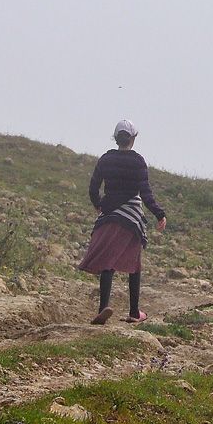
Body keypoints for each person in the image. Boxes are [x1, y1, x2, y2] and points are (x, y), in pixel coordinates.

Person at [78, 119, 168, 325]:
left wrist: (98, 204)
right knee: (134, 264)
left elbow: (93, 188)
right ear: (133, 139)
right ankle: (135, 312)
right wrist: (159, 214)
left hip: (109, 214)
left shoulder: (105, 159)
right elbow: (146, 193)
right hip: (131, 217)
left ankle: (103, 309)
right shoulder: (138, 161)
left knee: (107, 263)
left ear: (116, 138)